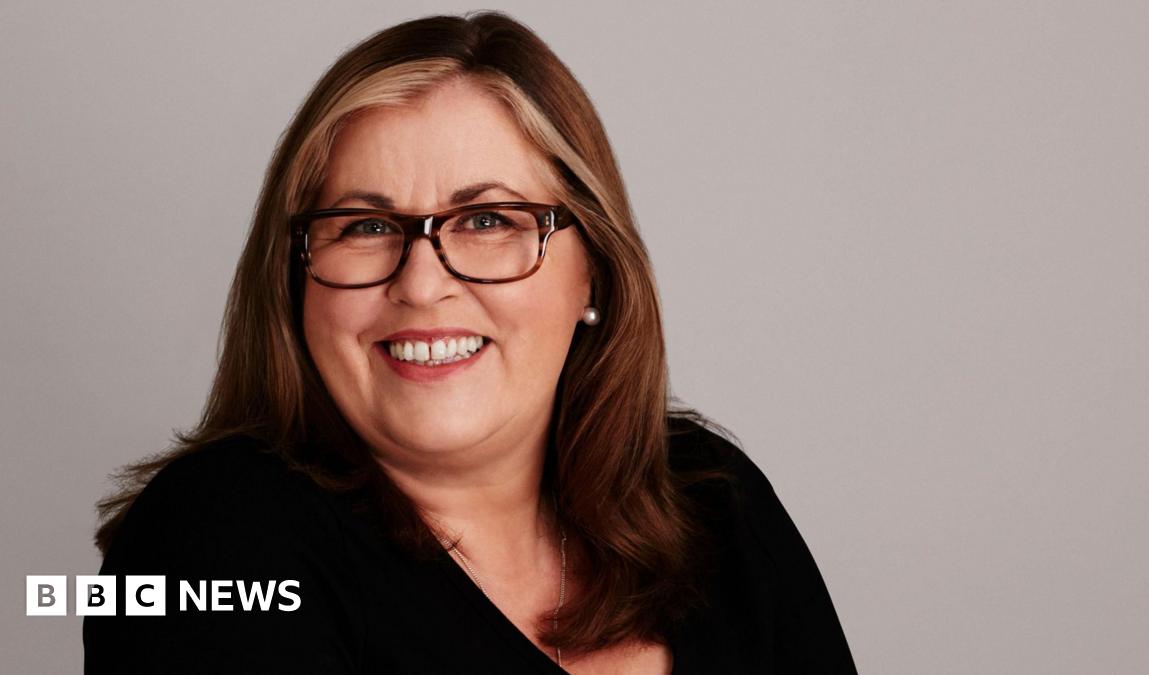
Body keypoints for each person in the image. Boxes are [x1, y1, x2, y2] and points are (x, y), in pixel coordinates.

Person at [83, 10, 856, 674]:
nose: (421, 284)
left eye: (488, 220)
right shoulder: (210, 543)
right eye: (366, 225)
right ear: (295, 281)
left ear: (594, 272)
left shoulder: (716, 504)